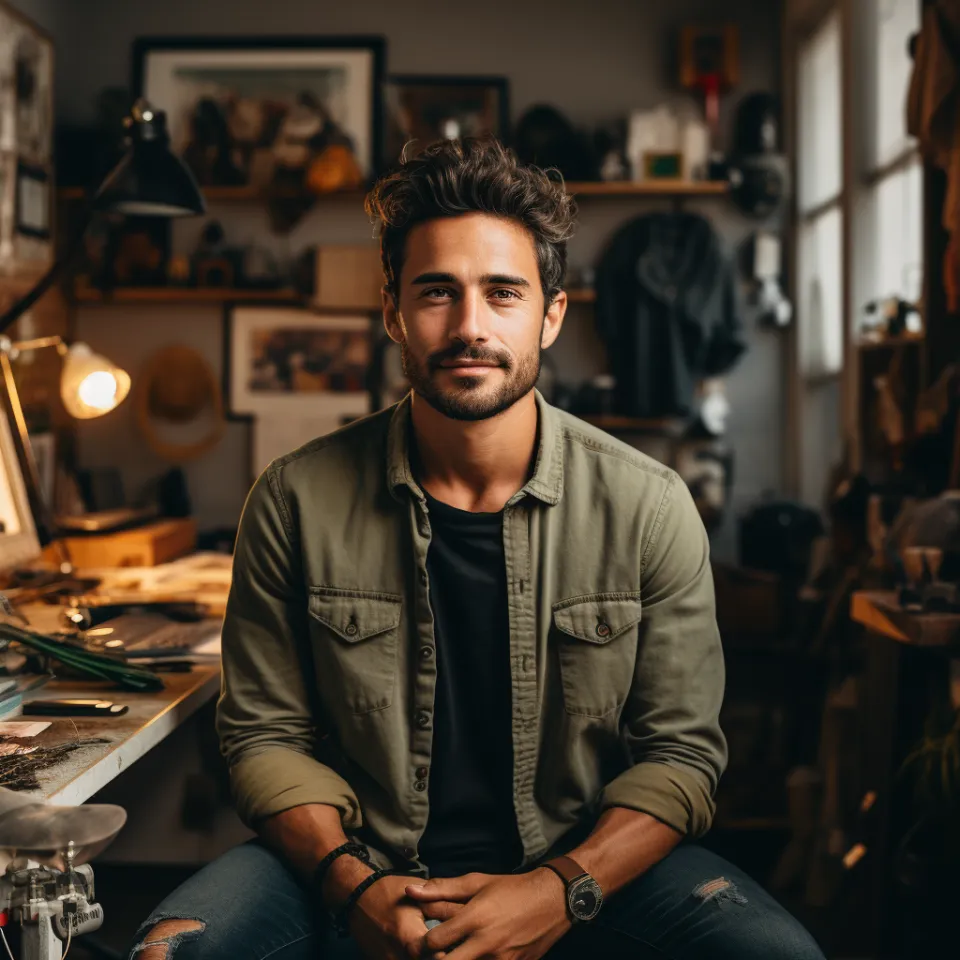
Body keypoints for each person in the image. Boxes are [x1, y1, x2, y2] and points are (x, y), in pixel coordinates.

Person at [129, 139, 824, 960]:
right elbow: (264, 738)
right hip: (359, 863)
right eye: (436, 293)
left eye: (503, 293)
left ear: (551, 315)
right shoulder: (293, 499)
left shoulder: (648, 506)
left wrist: (560, 889)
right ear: (392, 312)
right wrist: (356, 887)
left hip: (582, 866)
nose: (469, 327)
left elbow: (681, 755)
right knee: (170, 953)